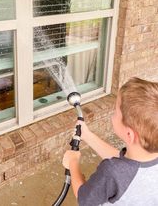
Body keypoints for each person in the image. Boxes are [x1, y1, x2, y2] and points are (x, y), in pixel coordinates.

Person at [63, 77, 158, 205]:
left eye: (116, 112)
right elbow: (128, 166)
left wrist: (72, 162)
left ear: (129, 134)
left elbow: (84, 198)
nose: (113, 115)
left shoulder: (111, 172)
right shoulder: (141, 160)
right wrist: (87, 135)